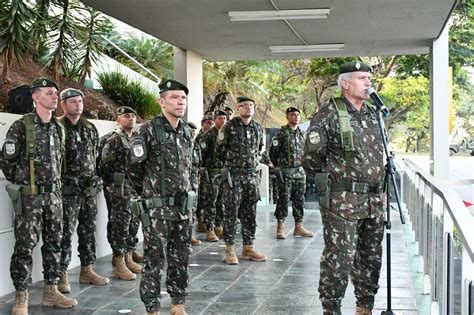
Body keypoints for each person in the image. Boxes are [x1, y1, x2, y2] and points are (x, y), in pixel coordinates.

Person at [301, 61, 385, 315]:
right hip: (343, 202)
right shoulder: (327, 115)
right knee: (340, 258)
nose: (368, 82)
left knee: (370, 257)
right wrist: (334, 185)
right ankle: (331, 308)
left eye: (369, 78)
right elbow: (310, 159)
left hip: (373, 200)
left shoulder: (374, 114)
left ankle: (364, 306)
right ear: (345, 84)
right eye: (362, 78)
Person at [2, 77, 78, 314]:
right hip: (30, 199)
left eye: (55, 93)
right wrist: (26, 186)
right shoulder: (22, 126)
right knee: (25, 246)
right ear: (35, 97)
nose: (54, 96)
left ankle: (51, 290)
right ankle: (21, 296)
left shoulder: (58, 128)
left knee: (55, 244)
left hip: (54, 198)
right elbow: (7, 161)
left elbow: (61, 163)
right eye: (48, 93)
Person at [129, 79, 194, 315]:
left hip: (183, 208)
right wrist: (149, 197)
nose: (180, 102)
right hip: (156, 210)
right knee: (154, 259)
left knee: (181, 257)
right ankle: (152, 306)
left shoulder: (187, 131)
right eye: (175, 97)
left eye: (183, 98)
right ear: (161, 101)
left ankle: (178, 302)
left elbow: (190, 169)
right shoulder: (146, 130)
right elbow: (134, 170)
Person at [57, 88, 109, 294]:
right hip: (67, 191)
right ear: (63, 104)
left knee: (88, 230)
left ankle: (87, 269)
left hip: (88, 190)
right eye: (72, 101)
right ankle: (61, 274)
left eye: (79, 101)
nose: (77, 104)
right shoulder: (57, 127)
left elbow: (95, 158)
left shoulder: (89, 128)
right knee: (64, 233)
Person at [216, 96, 267, 265]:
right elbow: (220, 151)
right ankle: (229, 248)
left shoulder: (257, 128)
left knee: (250, 212)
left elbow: (260, 150)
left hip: (251, 176)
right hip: (234, 176)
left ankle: (248, 247)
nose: (248, 108)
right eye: (244, 105)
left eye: (251, 105)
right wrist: (233, 165)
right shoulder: (229, 127)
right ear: (238, 108)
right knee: (231, 212)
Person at [99, 106, 142, 281]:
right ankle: (119, 260)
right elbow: (103, 165)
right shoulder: (113, 140)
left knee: (134, 219)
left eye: (133, 115)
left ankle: (129, 254)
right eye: (126, 116)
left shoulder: (137, 139)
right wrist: (112, 185)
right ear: (118, 120)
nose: (131, 118)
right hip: (119, 188)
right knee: (120, 223)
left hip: (134, 187)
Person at [269, 107, 314, 239]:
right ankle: (280, 226)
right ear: (287, 117)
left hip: (300, 173)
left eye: (297, 115)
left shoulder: (302, 133)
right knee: (283, 200)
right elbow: (273, 152)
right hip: (286, 173)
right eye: (293, 115)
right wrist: (278, 167)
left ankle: (298, 226)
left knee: (299, 200)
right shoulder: (281, 133)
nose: (296, 117)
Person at [199, 110, 228, 242]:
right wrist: (202, 170)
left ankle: (218, 225)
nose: (223, 121)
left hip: (223, 172)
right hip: (211, 173)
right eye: (220, 119)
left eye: (224, 118)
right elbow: (201, 155)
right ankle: (209, 228)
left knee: (222, 201)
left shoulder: (226, 134)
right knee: (210, 201)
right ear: (215, 120)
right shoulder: (209, 135)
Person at [194, 114, 215, 233]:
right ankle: (201, 220)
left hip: (214, 172)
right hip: (204, 172)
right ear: (202, 124)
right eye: (208, 123)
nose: (210, 125)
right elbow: (199, 156)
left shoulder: (214, 136)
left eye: (212, 123)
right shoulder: (200, 137)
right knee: (203, 198)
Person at [187, 121, 202, 248]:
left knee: (193, 209)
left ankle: (189, 235)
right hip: (184, 184)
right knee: (185, 211)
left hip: (194, 183)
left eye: (194, 132)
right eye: (190, 131)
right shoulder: (181, 144)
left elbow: (199, 163)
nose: (192, 133)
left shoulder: (195, 146)